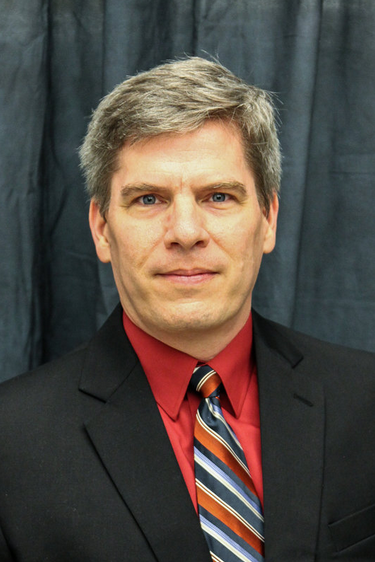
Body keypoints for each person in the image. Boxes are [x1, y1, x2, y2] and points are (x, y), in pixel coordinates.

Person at [0, 57, 374, 562]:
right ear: (102, 228)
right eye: (149, 199)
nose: (186, 232)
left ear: (268, 220)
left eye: (218, 195)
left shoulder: (365, 402)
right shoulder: (11, 442)